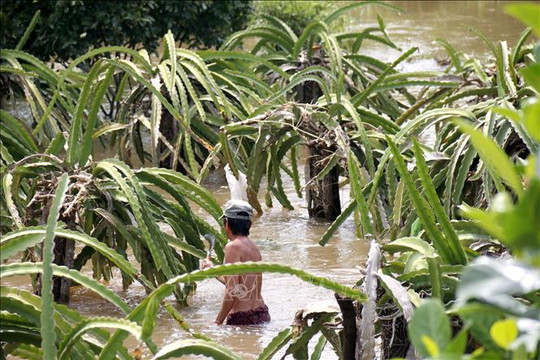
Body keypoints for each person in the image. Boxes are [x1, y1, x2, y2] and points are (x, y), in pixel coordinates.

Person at [201, 200, 270, 325]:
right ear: (250, 225)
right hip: (261, 313)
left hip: (242, 317)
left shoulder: (232, 247)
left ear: (226, 223)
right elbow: (241, 286)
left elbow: (232, 290)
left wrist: (217, 322)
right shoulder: (254, 247)